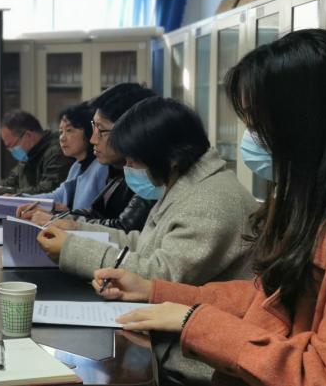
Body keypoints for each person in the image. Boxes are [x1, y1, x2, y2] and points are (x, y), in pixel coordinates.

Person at [97, 30, 326, 386]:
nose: (252, 139)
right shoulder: (315, 202)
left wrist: (195, 322)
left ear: (304, 126)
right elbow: (268, 296)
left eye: (259, 127)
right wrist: (156, 292)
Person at [37, 97, 258, 385]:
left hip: (193, 363)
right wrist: (78, 231)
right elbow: (145, 243)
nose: (128, 167)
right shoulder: (187, 183)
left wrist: (72, 248)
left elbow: (158, 276)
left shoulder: (211, 202)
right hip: (168, 342)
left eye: (134, 161)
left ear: (169, 155)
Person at [22, 83, 157, 232]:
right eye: (94, 128)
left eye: (101, 130)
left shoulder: (149, 177)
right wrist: (55, 215)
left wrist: (60, 220)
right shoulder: (118, 172)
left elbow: (123, 229)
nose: (93, 139)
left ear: (131, 131)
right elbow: (96, 214)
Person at [24, 102, 108, 210]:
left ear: (88, 131)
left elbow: (96, 215)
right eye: (60, 132)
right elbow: (58, 196)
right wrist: (19, 198)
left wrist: (67, 215)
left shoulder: (101, 167)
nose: (62, 138)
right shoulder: (76, 167)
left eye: (69, 130)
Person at [0, 109, 70, 196]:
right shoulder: (29, 155)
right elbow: (11, 182)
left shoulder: (56, 153)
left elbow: (46, 191)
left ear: (28, 135)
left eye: (12, 145)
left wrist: (1, 192)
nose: (11, 150)